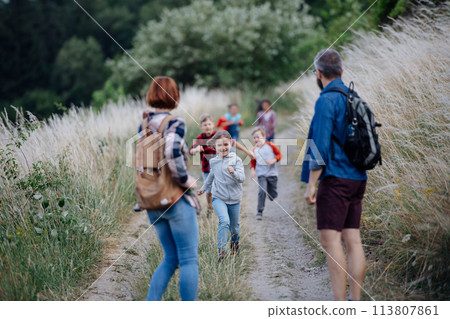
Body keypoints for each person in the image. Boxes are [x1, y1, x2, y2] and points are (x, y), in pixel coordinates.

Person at [301, 49, 368, 301]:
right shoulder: (353, 96)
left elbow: (319, 146)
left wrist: (311, 185)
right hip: (357, 178)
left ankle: (340, 305)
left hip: (336, 179)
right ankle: (356, 301)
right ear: (341, 71)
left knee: (330, 241)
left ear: (318, 74)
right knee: (353, 239)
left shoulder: (326, 100)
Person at [141, 76, 200, 301]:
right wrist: (186, 181)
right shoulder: (174, 123)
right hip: (174, 199)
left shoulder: (144, 124)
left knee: (170, 258)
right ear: (174, 95)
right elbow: (171, 152)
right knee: (188, 259)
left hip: (152, 199)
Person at [190, 114, 253, 218]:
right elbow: (191, 150)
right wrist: (196, 149)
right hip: (207, 169)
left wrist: (247, 152)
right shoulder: (200, 138)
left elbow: (234, 143)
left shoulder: (218, 135)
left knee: (223, 186)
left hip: (222, 168)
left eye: (209, 124)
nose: (207, 126)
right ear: (201, 126)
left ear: (213, 124)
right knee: (209, 190)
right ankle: (210, 207)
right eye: (205, 125)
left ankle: (226, 207)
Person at [197, 130, 245, 259]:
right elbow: (210, 177)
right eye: (219, 145)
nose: (223, 147)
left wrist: (233, 173)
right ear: (215, 147)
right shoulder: (214, 161)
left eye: (226, 144)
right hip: (218, 197)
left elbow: (242, 178)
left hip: (234, 198)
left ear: (230, 144)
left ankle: (235, 244)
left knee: (234, 228)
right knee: (224, 221)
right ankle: (221, 252)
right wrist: (203, 188)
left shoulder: (237, 160)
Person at [250, 127, 282, 220]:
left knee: (272, 195)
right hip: (261, 174)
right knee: (262, 191)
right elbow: (253, 162)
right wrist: (252, 170)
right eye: (254, 138)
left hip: (272, 174)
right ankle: (259, 211)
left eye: (258, 137)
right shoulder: (254, 150)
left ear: (264, 137)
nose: (256, 139)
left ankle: (272, 195)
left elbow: (279, 154)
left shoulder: (270, 145)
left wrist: (273, 160)